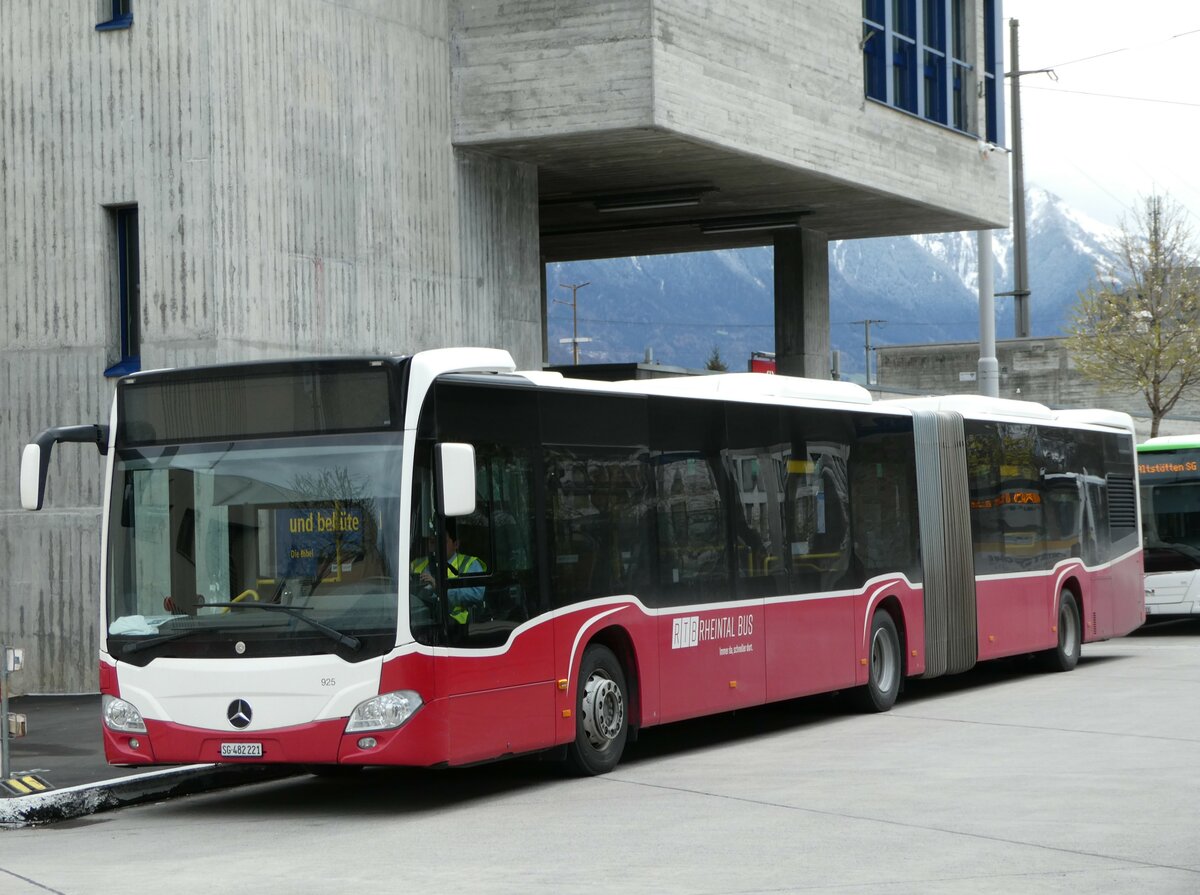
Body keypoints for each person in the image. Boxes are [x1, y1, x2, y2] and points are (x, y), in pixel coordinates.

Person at [411, 520, 487, 623]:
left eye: (442, 542)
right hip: (419, 621)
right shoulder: (416, 564)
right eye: (432, 542)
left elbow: (477, 594)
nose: (436, 546)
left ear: (456, 544)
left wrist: (440, 588)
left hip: (456, 626)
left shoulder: (470, 564)